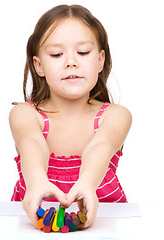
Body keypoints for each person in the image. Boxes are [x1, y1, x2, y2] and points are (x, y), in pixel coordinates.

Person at [9, 4, 132, 230]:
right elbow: (32, 143)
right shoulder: (25, 114)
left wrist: (87, 183)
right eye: (56, 54)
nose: (71, 61)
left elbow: (101, 146)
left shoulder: (116, 115)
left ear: (100, 60)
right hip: (30, 228)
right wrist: (36, 182)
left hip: (108, 226)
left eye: (83, 52)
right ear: (39, 65)